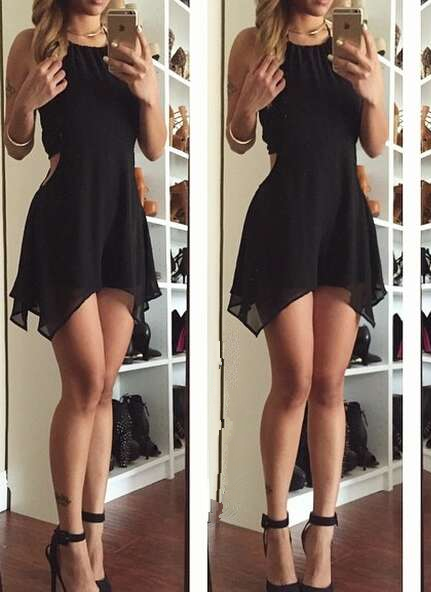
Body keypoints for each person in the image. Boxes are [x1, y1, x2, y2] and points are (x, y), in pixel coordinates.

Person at [226, 0, 388, 589]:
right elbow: (238, 137)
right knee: (293, 381)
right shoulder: (253, 42)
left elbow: (375, 144)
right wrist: (248, 102)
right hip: (285, 217)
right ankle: (275, 528)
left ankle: (322, 531)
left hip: (343, 217)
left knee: (330, 385)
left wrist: (373, 90)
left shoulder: (357, 39)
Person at [4, 1, 165, 589]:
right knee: (84, 383)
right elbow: (16, 143)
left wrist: (148, 90)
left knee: (104, 386)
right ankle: (69, 543)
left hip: (121, 220)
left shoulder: (132, 43)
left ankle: (92, 536)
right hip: (66, 218)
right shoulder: (31, 44)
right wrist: (26, 101)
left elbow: (154, 147)